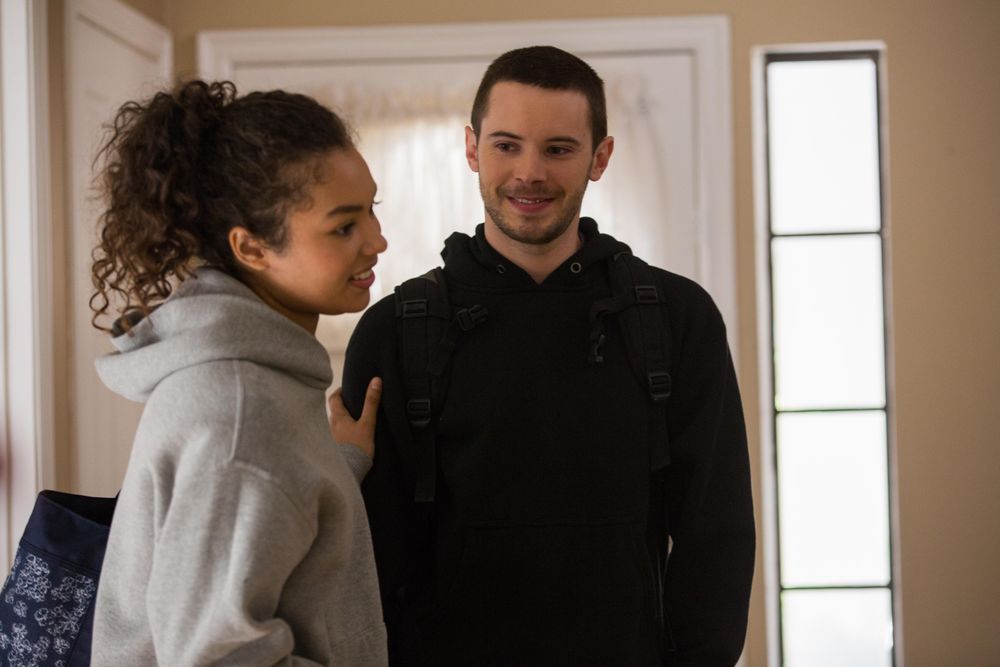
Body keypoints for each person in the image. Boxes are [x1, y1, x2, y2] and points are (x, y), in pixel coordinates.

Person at [342, 46, 755, 665]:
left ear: (600, 158)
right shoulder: (394, 331)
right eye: (506, 145)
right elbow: (368, 559)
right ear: (472, 149)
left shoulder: (677, 319)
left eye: (558, 149)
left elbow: (716, 534)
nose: (529, 172)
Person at [89, 80, 389, 665]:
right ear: (252, 249)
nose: (377, 241)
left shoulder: (254, 387)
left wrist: (338, 465)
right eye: (343, 226)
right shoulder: (239, 415)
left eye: (371, 210)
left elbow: (260, 516)